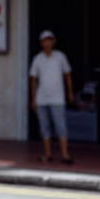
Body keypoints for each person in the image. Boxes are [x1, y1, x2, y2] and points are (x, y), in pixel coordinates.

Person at [29, 30, 74, 164]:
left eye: (50, 39)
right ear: (41, 43)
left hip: (58, 98)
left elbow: (68, 75)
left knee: (61, 126)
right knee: (45, 127)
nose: (47, 42)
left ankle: (65, 155)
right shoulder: (38, 59)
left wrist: (70, 92)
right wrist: (34, 98)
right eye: (45, 40)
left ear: (53, 42)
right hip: (42, 98)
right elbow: (33, 80)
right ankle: (48, 154)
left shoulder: (60, 57)